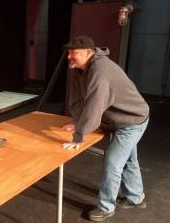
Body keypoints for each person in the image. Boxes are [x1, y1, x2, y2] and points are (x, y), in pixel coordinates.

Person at [62, 35, 149, 221]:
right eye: (68, 52)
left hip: (132, 120)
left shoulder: (100, 71)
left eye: (73, 53)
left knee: (113, 162)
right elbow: (78, 100)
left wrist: (79, 135)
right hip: (118, 120)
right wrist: (78, 122)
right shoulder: (81, 69)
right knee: (128, 160)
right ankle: (136, 197)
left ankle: (106, 207)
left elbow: (94, 105)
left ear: (88, 53)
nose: (69, 56)